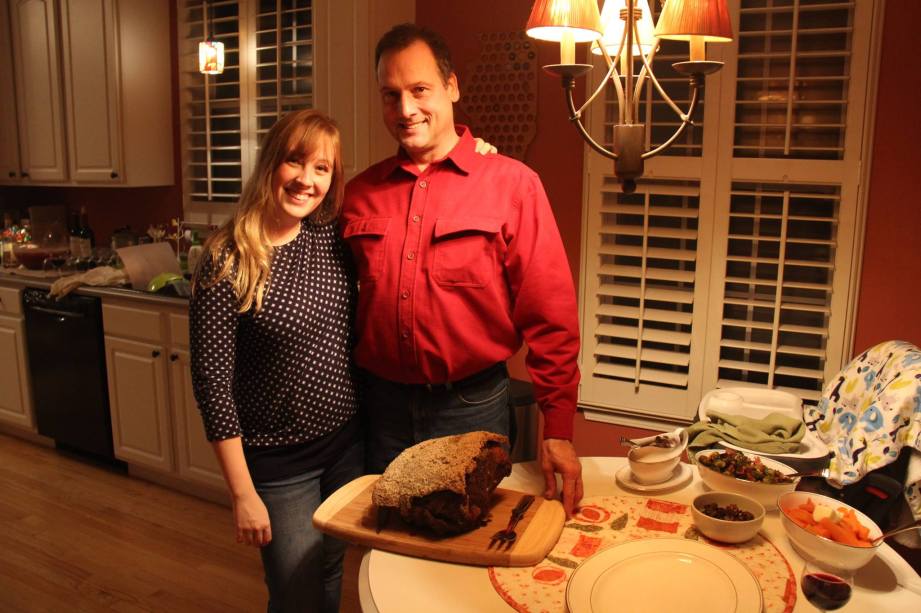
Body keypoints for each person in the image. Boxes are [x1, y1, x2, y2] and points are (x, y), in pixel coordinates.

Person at [341, 23, 584, 517]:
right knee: (389, 539)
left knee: (471, 539)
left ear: (451, 86)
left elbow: (550, 314)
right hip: (381, 409)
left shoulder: (513, 185)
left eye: (419, 89)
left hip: (471, 408)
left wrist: (557, 428)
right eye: (390, 95)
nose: (405, 109)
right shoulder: (359, 194)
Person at [189, 109, 361, 613]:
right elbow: (212, 386)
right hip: (280, 464)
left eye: (322, 168)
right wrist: (242, 492)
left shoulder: (328, 235)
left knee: (330, 569)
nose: (307, 180)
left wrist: (469, 148)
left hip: (346, 446)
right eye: (295, 161)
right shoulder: (227, 259)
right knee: (295, 593)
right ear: (270, 163)